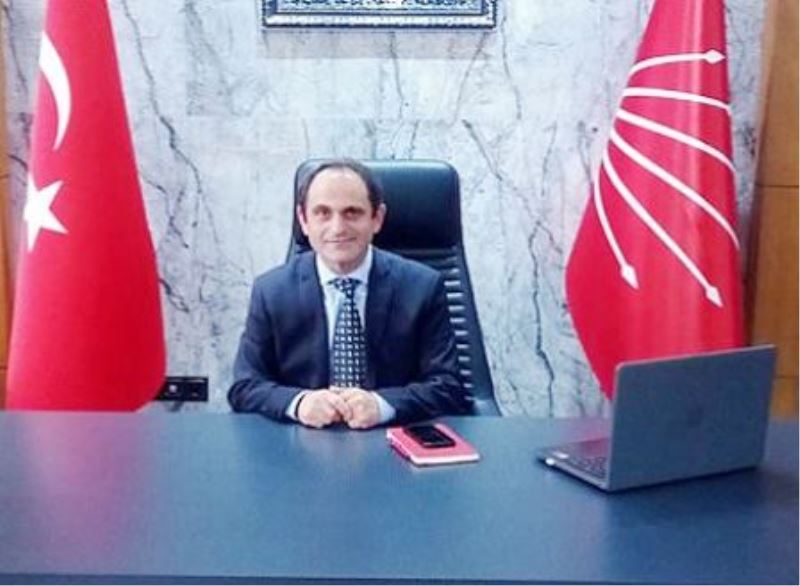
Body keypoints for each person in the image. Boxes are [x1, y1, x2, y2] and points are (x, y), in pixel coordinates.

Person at [228, 159, 468, 429]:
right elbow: (245, 387)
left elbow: (448, 388)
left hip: (390, 437)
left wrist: (382, 405)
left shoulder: (422, 287)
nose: (338, 228)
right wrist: (299, 403)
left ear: (377, 218)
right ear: (303, 220)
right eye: (322, 213)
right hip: (302, 440)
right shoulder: (271, 291)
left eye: (352, 212)